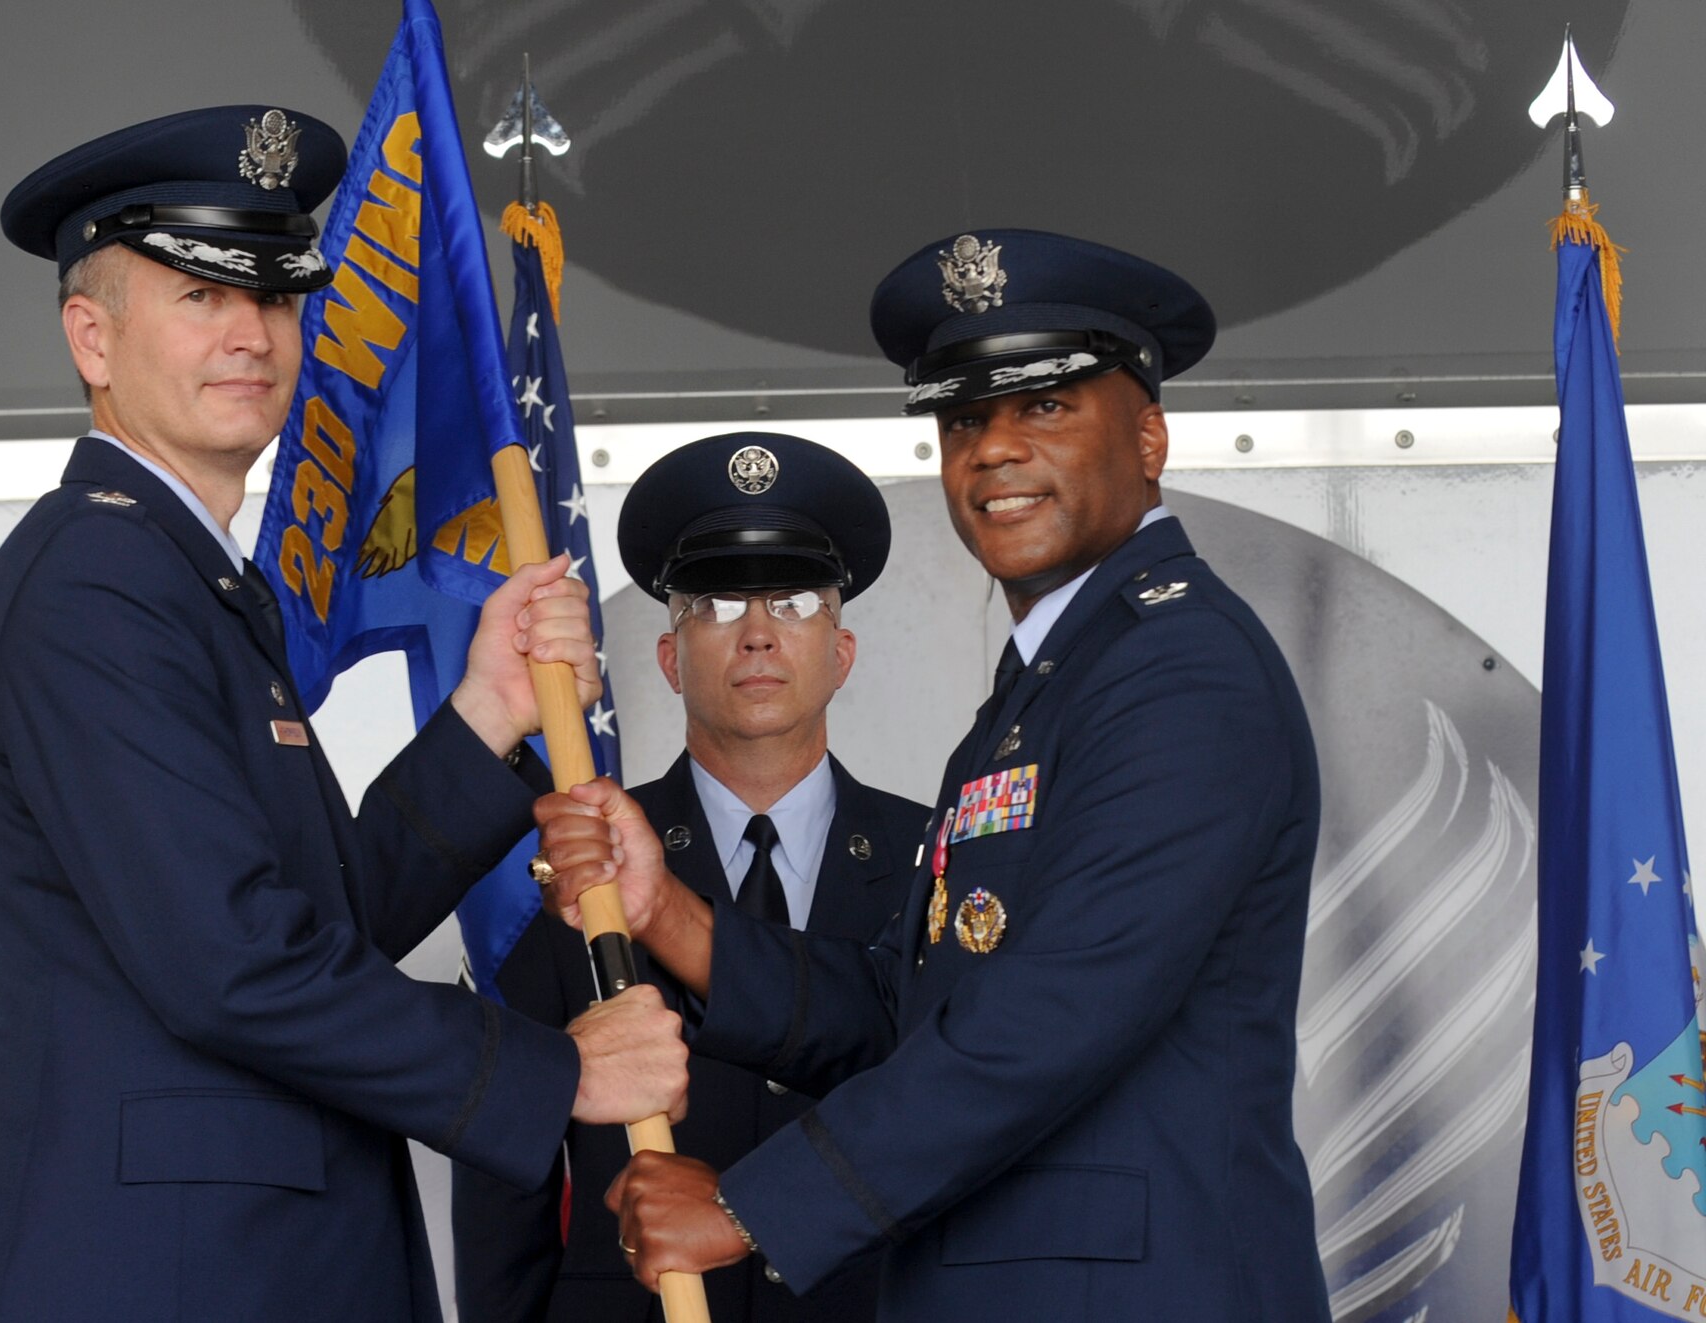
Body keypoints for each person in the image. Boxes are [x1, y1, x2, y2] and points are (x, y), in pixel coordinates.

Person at [0, 105, 687, 1323]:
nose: (252, 334)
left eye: (277, 298)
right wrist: (554, 1074)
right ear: (92, 337)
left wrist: (486, 710)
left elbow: (315, 922)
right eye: (200, 296)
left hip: (242, 1264)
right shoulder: (96, 586)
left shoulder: (183, 577)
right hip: (167, 1278)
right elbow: (232, 966)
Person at [534, 231, 1330, 1320]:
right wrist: (663, 911)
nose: (993, 450)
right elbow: (916, 1009)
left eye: (1044, 406)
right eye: (963, 420)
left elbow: (1055, 1014)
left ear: (1147, 438)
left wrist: (752, 1206)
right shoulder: (1052, 683)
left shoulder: (1180, 670)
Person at [452, 433, 930, 1323]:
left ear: (842, 652)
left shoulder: (934, 859)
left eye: (794, 603)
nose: (757, 633)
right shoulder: (576, 854)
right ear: (670, 658)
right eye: (714, 605)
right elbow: (507, 1175)